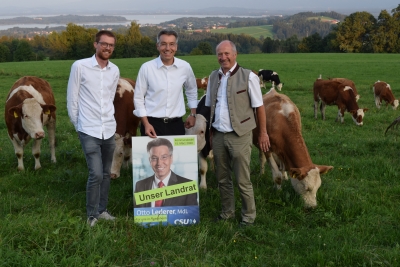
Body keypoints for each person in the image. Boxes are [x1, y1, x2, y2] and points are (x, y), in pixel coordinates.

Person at [205, 40, 270, 226]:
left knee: (243, 179)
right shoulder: (213, 77)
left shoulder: (248, 76)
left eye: (226, 54)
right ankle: (227, 212)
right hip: (218, 135)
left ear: (235, 55)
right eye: (219, 54)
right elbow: (209, 105)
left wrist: (263, 133)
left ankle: (249, 216)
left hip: (240, 135)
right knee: (222, 178)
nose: (223, 57)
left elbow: (259, 107)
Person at [67, 30, 120, 227]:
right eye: (104, 44)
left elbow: (110, 98)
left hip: (108, 128)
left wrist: (111, 121)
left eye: (111, 45)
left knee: (106, 173)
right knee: (96, 173)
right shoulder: (80, 66)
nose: (107, 48)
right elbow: (72, 98)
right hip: (88, 129)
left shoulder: (114, 70)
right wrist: (78, 125)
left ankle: (102, 210)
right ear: (95, 44)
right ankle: (92, 215)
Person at [133, 29, 198, 137]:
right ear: (157, 46)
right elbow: (138, 98)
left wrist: (193, 114)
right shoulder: (147, 68)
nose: (167, 48)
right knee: (151, 154)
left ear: (176, 47)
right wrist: (146, 123)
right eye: (163, 44)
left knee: (175, 155)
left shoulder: (185, 67)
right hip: (151, 125)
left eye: (171, 44)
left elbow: (191, 90)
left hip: (176, 125)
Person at [134, 138, 198, 208]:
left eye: (164, 157)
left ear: (171, 158)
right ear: (150, 160)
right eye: (154, 158)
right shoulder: (139, 186)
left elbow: (191, 215)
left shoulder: (188, 186)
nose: (159, 163)